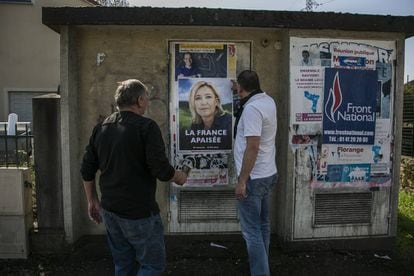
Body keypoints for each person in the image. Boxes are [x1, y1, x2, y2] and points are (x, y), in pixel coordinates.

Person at [80, 79, 187, 276]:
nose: (147, 104)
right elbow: (160, 169)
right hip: (139, 213)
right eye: (146, 99)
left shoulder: (101, 128)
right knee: (152, 266)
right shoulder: (146, 127)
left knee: (123, 264)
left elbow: (86, 169)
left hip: (110, 210)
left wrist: (92, 201)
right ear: (139, 100)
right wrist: (178, 176)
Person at [234, 70, 277, 276]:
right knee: (263, 226)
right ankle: (262, 265)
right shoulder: (268, 101)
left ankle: (260, 272)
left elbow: (253, 146)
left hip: (253, 178)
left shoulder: (252, 108)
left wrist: (242, 181)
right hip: (268, 173)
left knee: (252, 232)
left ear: (240, 88)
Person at [180, 81, 232, 151]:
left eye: (208, 97)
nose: (203, 103)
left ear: (216, 102)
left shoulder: (229, 122)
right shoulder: (195, 124)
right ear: (193, 103)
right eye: (198, 98)